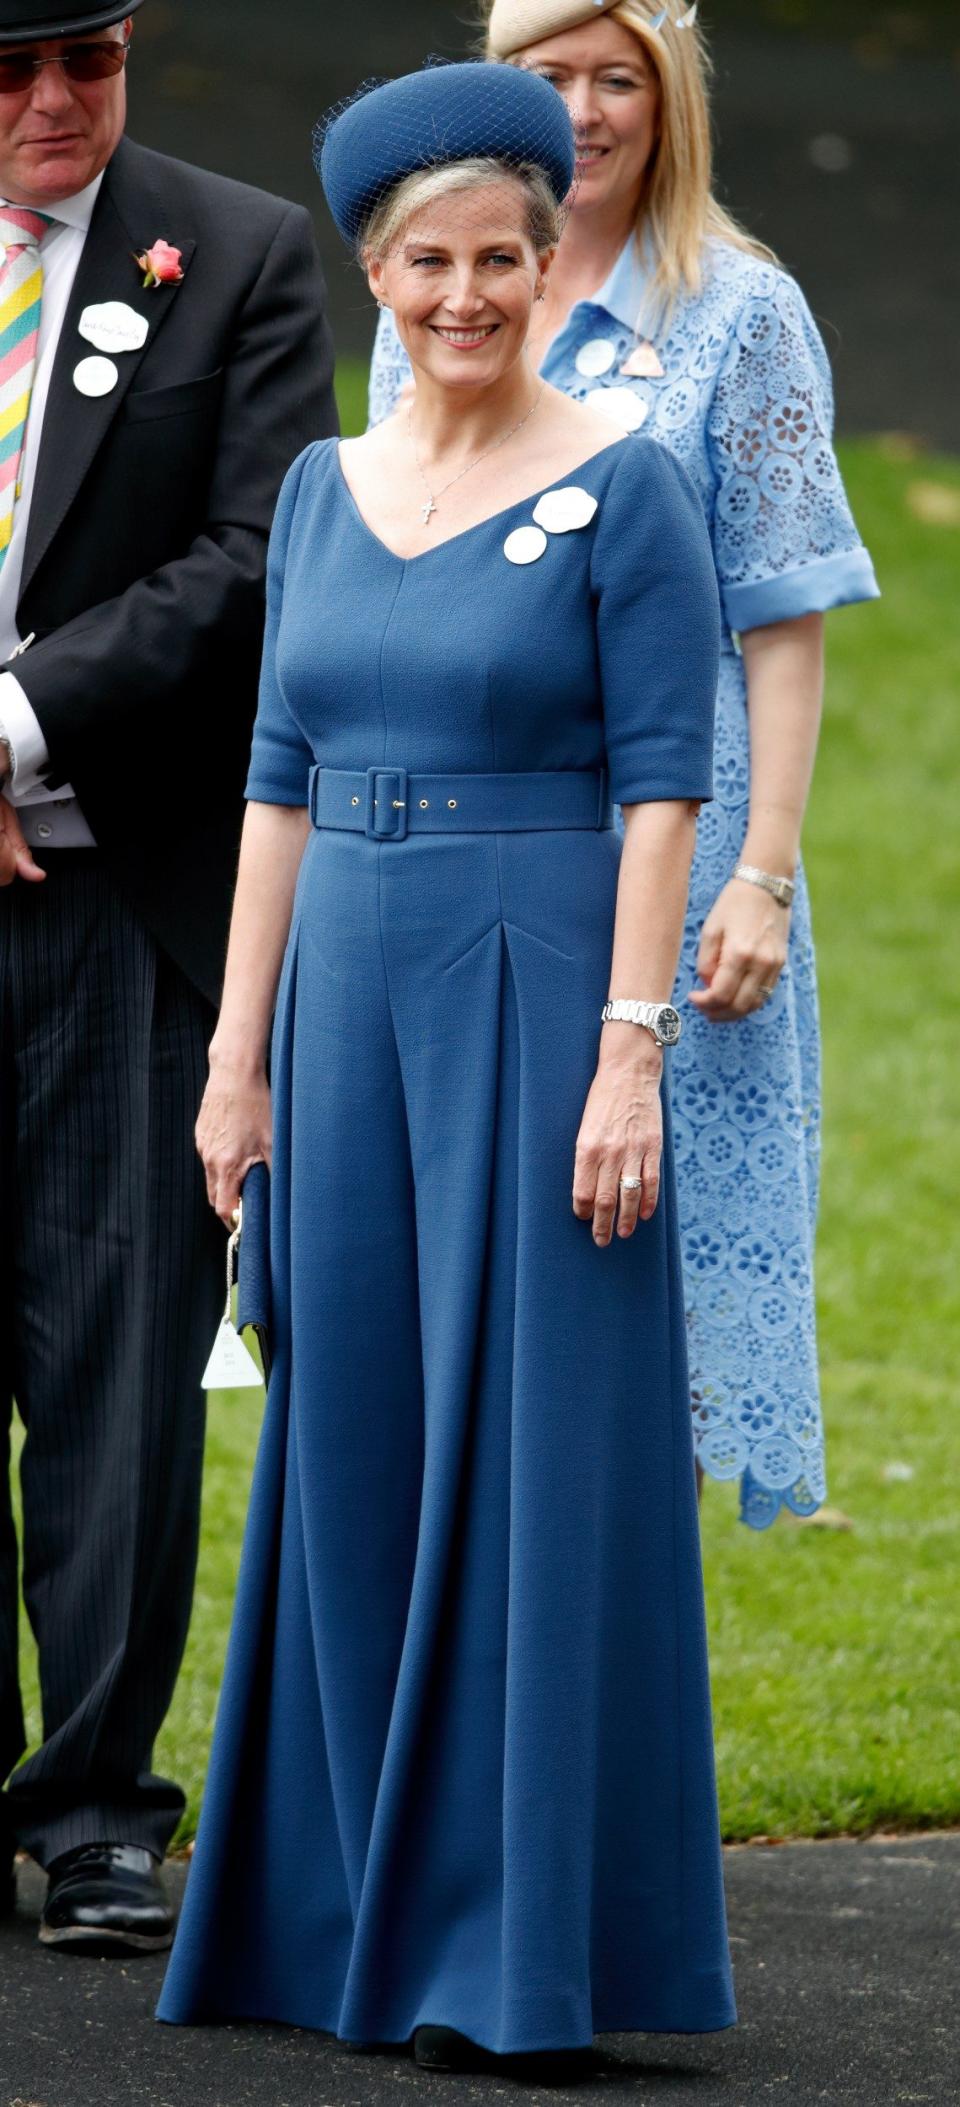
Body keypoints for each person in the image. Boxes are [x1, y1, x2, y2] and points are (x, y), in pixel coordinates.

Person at [157, 58, 735, 2076]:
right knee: (355, 1442)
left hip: (546, 982)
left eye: (504, 253)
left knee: (543, 1460)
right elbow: (277, 781)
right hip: (341, 1004)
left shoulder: (631, 480)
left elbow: (669, 784)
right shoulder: (320, 490)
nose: (471, 293)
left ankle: (525, 1951)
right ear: (375, 273)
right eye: (431, 262)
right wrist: (235, 1063)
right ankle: (333, 1926)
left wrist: (629, 1054)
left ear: (544, 255)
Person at [369, 0, 880, 1531]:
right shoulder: (461, 286)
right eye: (551, 78)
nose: (586, 112)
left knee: (636, 1248)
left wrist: (764, 875)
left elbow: (782, 616)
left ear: (672, 104)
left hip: (685, 843)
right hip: (476, 843)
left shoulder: (739, 312)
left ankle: (607, 1671)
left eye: (620, 81)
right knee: (481, 1268)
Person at [0, 0, 336, 1952]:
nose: (55, 101)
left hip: (127, 900)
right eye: (11, 63)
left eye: (90, 56)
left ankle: (98, 1808)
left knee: (122, 1360)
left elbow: (259, 550)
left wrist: (19, 723)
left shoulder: (236, 250)